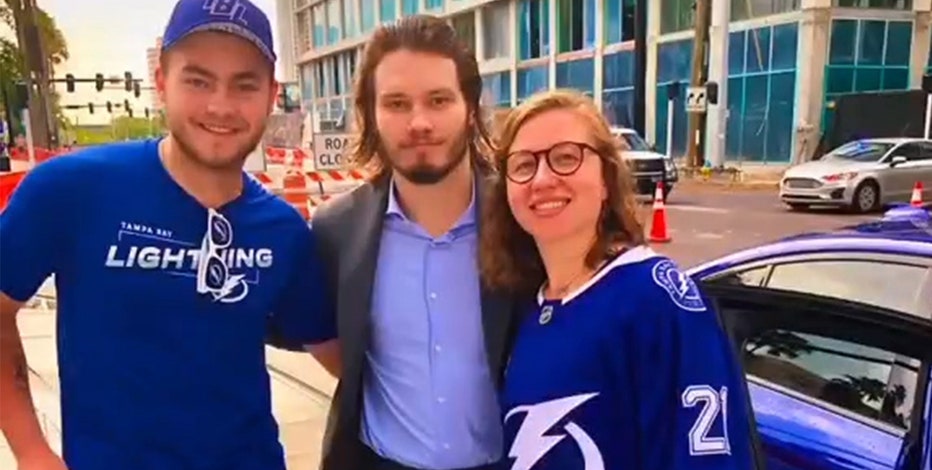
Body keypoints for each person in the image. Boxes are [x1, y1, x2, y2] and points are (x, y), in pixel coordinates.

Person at [0, 0, 339, 469]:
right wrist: (32, 451)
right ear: (161, 82)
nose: (220, 106)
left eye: (244, 85)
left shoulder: (283, 231)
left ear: (270, 95)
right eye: (198, 80)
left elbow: (341, 355)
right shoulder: (71, 189)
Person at [478, 89, 759, 470]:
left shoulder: (653, 298)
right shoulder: (526, 304)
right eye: (523, 164)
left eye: (565, 158)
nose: (542, 179)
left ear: (607, 177)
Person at [308, 14, 515, 470]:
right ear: (371, 113)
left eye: (439, 100)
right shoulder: (335, 231)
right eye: (397, 103)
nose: (419, 122)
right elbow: (334, 350)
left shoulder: (523, 218)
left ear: (470, 106)